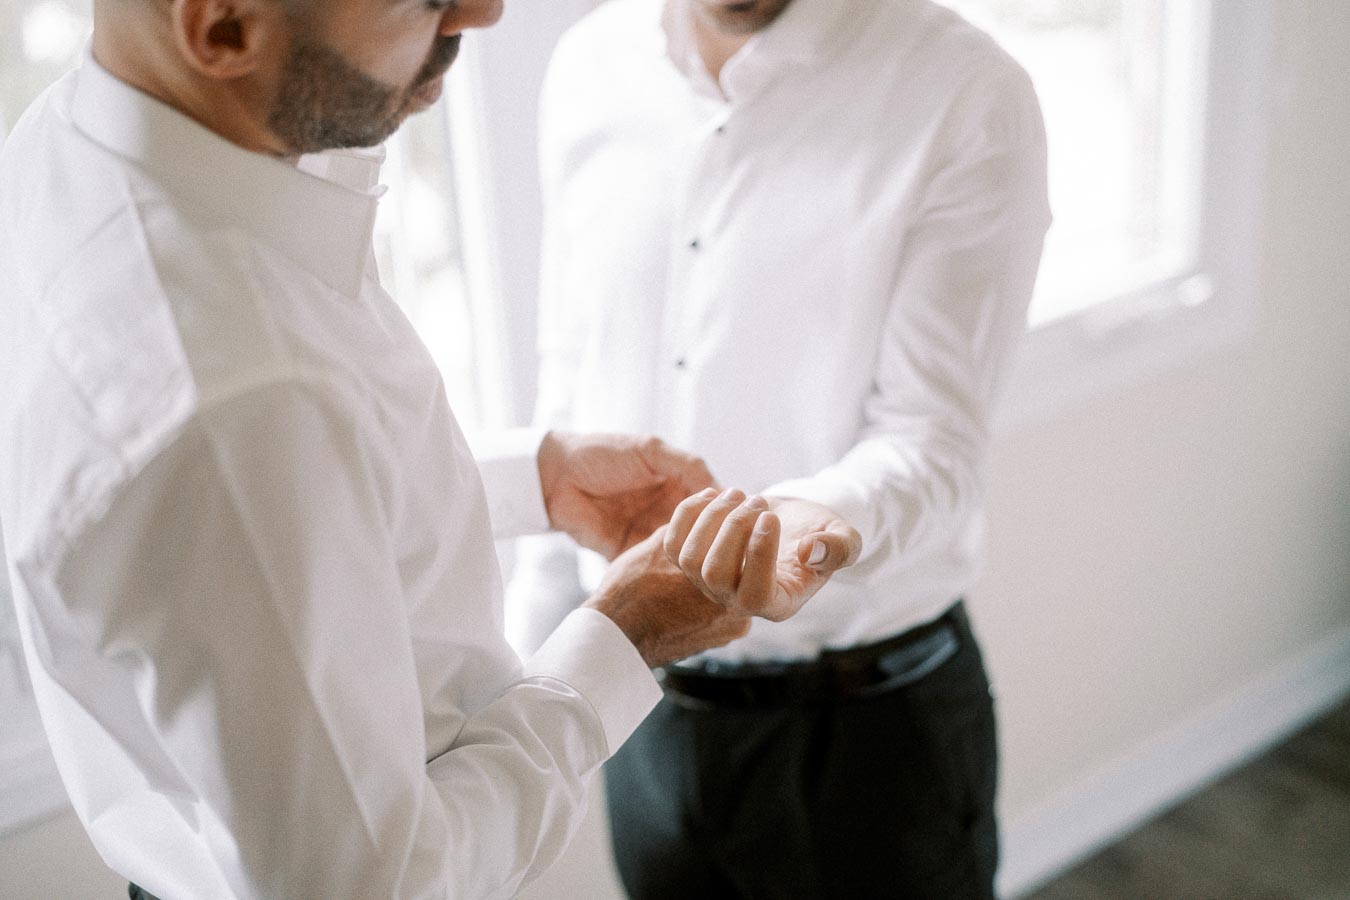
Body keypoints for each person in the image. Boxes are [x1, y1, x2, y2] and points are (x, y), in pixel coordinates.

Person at [0, 0, 861, 896]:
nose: (484, 13)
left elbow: (237, 538)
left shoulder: (74, 141)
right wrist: (628, 634)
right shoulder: (237, 400)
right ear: (223, 31)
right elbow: (375, 886)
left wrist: (535, 481)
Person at [512, 0, 1052, 896]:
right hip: (642, 709)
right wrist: (531, 673)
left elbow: (935, 438)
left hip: (869, 737)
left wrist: (811, 523)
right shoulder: (586, 67)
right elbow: (569, 375)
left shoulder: (966, 91)